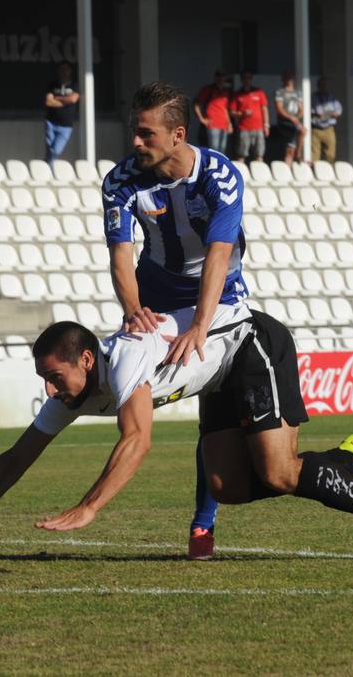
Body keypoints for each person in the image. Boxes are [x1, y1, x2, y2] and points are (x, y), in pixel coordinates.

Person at [0, 307, 353, 562]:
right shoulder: (74, 391)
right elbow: (15, 457)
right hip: (216, 374)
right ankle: (347, 461)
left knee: (278, 473)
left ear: (86, 360)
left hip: (252, 345)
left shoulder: (127, 360)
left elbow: (137, 439)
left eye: (54, 376)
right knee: (229, 487)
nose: (48, 389)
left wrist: (90, 507)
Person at [102, 81, 247, 561]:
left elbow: (219, 255)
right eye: (134, 132)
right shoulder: (121, 181)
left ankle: (203, 523)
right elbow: (122, 256)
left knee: (217, 416)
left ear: (178, 134)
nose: (135, 143)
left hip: (218, 296)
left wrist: (201, 327)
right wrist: (132, 309)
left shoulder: (219, 176)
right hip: (159, 300)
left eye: (146, 134)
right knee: (138, 390)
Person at [228, 70, 269, 164]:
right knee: (241, 154)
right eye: (245, 78)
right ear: (242, 80)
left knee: (259, 154)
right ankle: (242, 175)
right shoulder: (237, 94)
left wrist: (266, 125)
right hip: (244, 128)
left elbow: (264, 109)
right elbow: (231, 112)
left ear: (251, 79)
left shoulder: (259, 92)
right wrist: (242, 113)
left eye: (249, 78)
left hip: (259, 127)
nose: (247, 80)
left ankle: (260, 176)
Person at [43, 61, 80, 163]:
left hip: (66, 126)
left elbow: (73, 99)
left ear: (70, 71)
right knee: (49, 149)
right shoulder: (53, 85)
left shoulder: (74, 86)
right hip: (51, 122)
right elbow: (49, 102)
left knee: (56, 150)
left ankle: (48, 165)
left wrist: (57, 98)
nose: (64, 72)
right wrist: (65, 101)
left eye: (66, 69)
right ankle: (49, 170)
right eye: (62, 69)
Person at [193, 69, 233, 152]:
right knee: (214, 149)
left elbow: (225, 108)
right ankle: (213, 164)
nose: (221, 78)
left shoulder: (226, 91)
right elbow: (196, 104)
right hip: (212, 124)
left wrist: (229, 123)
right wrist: (202, 119)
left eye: (223, 76)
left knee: (222, 149)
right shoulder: (209, 89)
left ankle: (219, 165)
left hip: (224, 125)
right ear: (215, 77)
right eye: (219, 76)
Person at [272, 71, 305, 164]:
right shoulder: (280, 92)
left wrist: (297, 117)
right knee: (289, 147)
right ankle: (296, 156)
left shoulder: (298, 93)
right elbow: (279, 108)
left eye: (290, 78)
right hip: (284, 122)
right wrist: (291, 118)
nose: (289, 80)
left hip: (294, 123)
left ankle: (298, 154)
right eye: (286, 78)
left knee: (301, 133)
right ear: (283, 79)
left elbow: (301, 109)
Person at [310, 78, 343, 164]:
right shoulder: (313, 97)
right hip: (316, 129)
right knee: (315, 154)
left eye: (324, 85)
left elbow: (338, 111)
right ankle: (314, 172)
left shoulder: (331, 97)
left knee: (330, 154)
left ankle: (329, 172)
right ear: (318, 86)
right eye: (321, 85)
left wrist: (327, 114)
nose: (322, 87)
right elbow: (316, 112)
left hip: (328, 129)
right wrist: (328, 113)